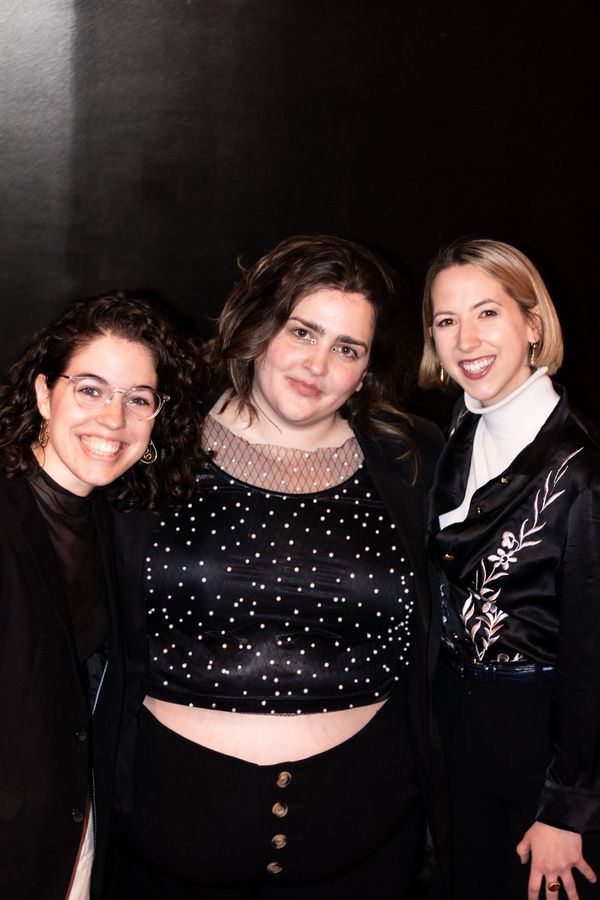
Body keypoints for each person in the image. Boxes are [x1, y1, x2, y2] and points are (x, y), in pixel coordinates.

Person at [108, 234, 443, 899]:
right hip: (164, 852)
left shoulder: (412, 461)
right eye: (302, 331)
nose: (317, 364)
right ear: (259, 326)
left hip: (366, 855)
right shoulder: (154, 438)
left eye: (347, 348)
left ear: (367, 367)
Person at [0, 291, 202, 900]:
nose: (113, 420)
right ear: (43, 393)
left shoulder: (116, 524)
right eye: (90, 389)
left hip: (75, 841)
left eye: (137, 399)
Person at [419, 238, 600, 900]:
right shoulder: (450, 439)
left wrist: (566, 805)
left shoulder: (580, 472)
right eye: (445, 320)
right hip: (456, 735)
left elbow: (592, 653)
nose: (465, 337)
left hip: (539, 750)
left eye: (487, 312)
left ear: (532, 324)